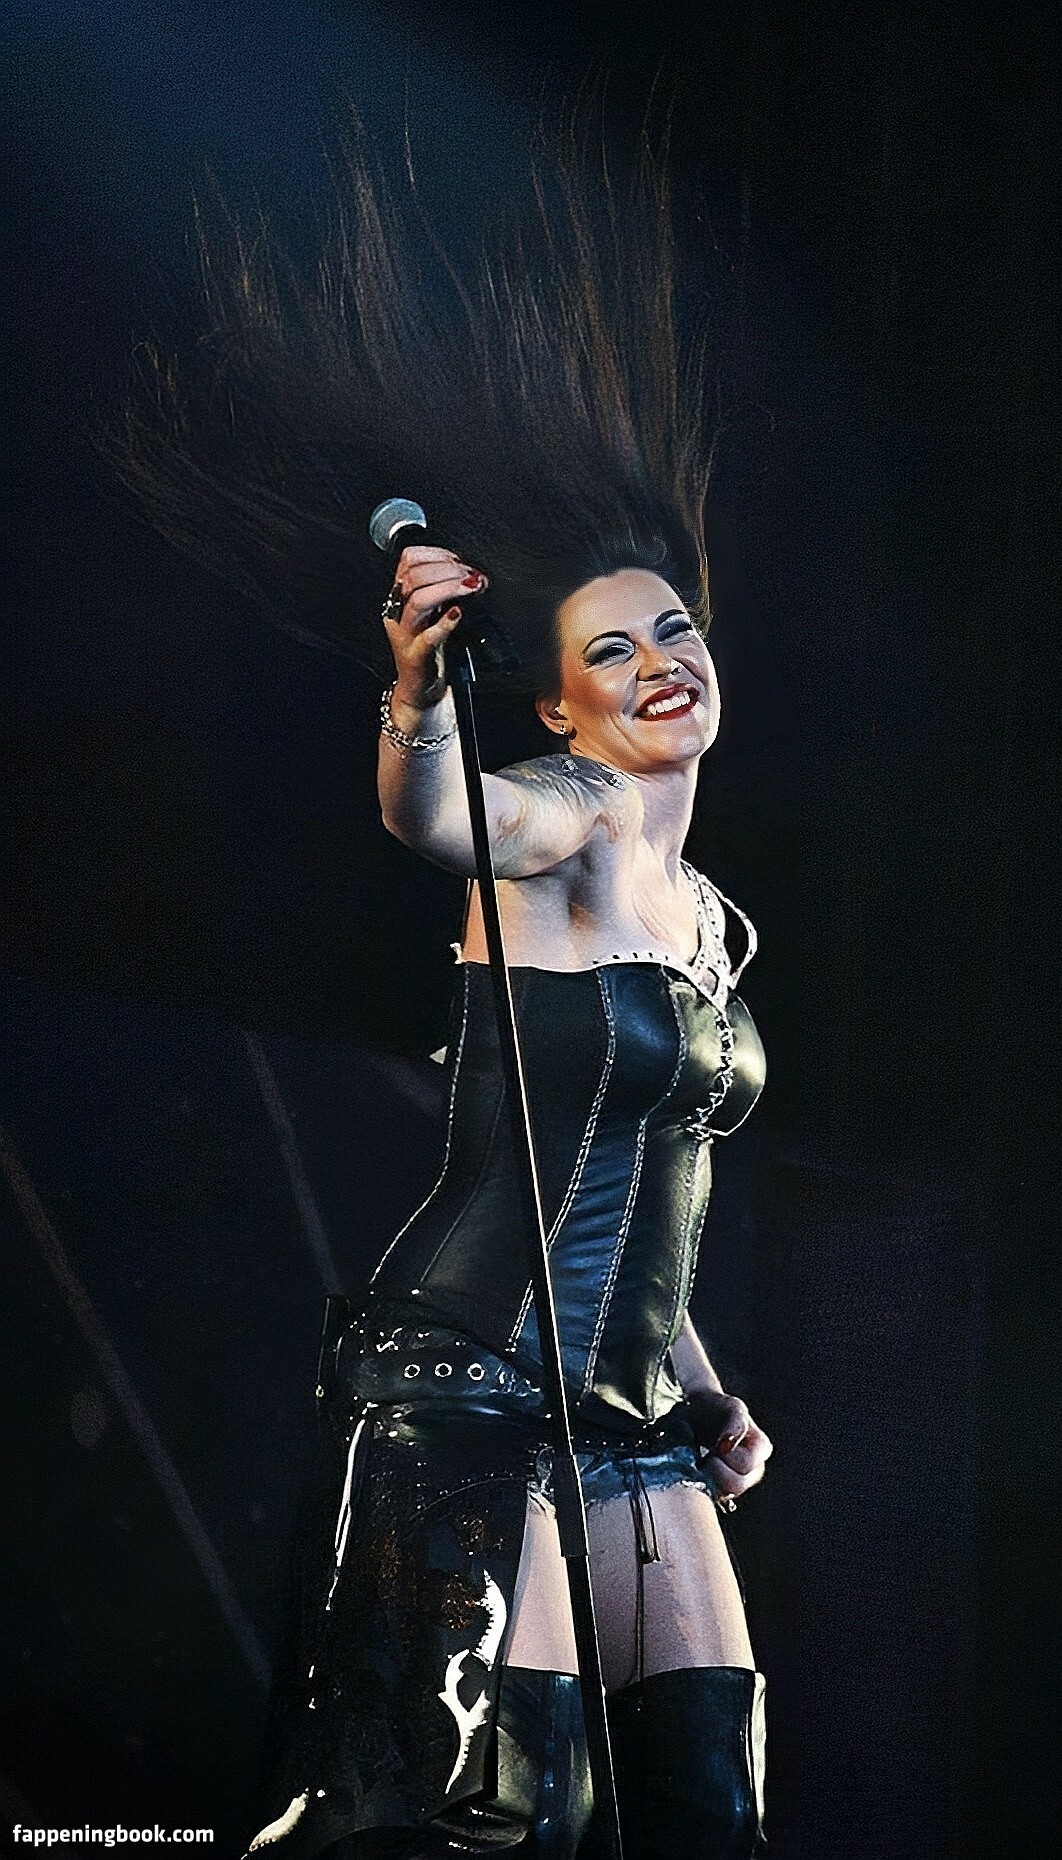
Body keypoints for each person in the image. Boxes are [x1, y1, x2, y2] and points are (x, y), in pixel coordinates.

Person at [115, 100, 775, 1860]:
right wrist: (414, 690)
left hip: (636, 1413)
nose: (660, 662)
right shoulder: (558, 824)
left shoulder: (707, 917)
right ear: (560, 703)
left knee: (709, 1798)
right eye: (613, 649)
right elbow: (435, 817)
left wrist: (705, 1386)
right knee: (500, 1814)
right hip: (470, 1377)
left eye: (674, 629)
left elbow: (646, 1186)